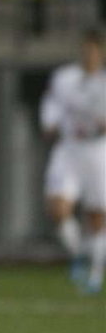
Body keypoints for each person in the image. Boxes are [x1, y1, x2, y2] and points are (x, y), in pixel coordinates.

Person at [41, 28, 106, 294]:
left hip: (97, 151)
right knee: (58, 208)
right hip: (69, 149)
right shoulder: (65, 78)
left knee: (96, 216)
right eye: (86, 48)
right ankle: (80, 254)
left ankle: (95, 272)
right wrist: (49, 123)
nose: (89, 53)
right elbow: (51, 106)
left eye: (95, 49)